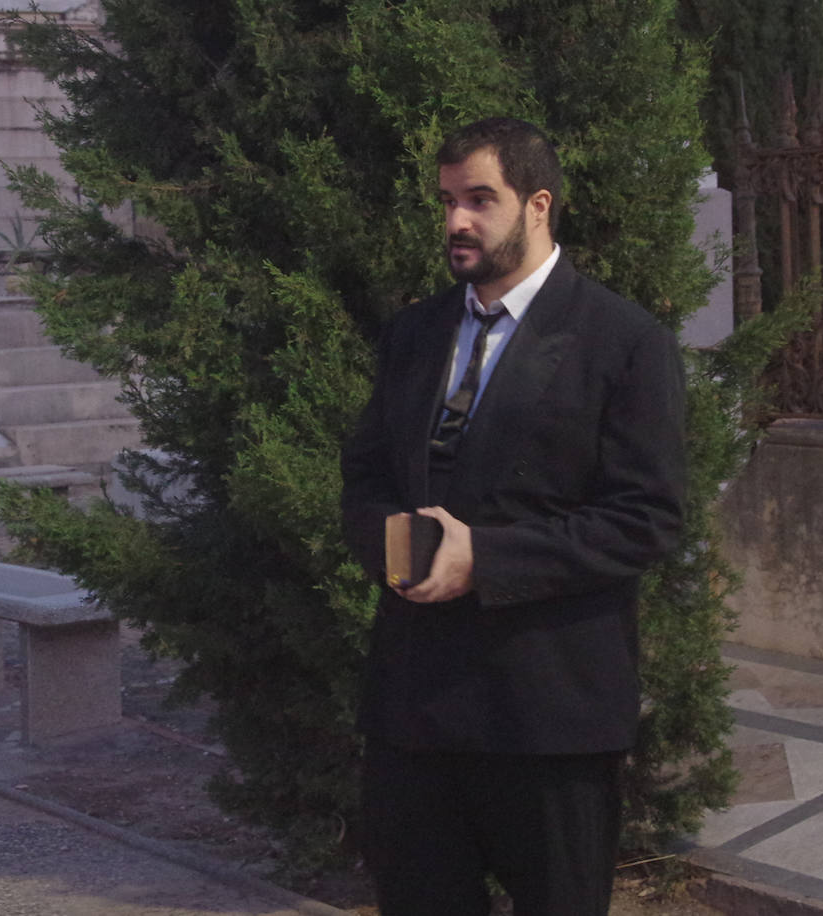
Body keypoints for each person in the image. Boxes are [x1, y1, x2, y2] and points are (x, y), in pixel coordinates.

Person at [340, 118, 687, 914]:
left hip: (549, 712)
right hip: (414, 704)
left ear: (538, 204)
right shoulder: (415, 332)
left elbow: (647, 517)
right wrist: (397, 547)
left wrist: (484, 561)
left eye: (479, 200)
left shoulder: (624, 341)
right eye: (448, 201)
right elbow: (364, 475)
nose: (456, 221)